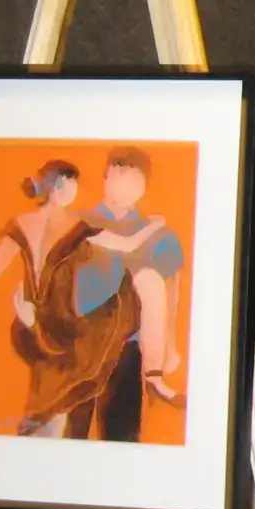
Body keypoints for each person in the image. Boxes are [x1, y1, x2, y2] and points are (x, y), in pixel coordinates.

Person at [0, 159, 170, 438]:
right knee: (117, 309)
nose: (76, 191)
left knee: (51, 398)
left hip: (31, 326)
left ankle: (39, 429)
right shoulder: (75, 225)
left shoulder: (22, 223)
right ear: (59, 187)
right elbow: (127, 245)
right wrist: (155, 226)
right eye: (73, 185)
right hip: (62, 331)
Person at [78, 147, 189, 436]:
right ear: (105, 177)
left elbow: (171, 289)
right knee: (68, 435)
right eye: (119, 175)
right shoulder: (83, 222)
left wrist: (169, 345)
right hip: (82, 340)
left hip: (128, 347)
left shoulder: (161, 235)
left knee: (122, 436)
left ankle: (154, 377)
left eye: (135, 179)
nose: (126, 185)